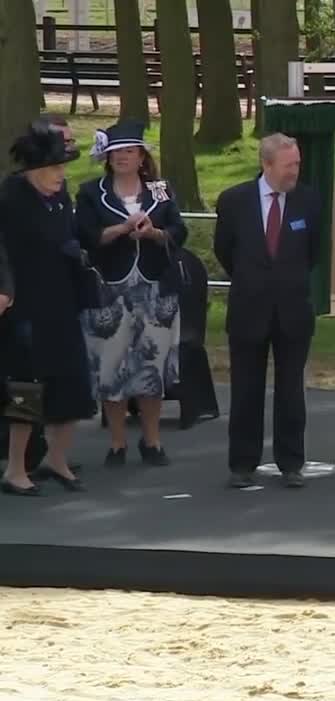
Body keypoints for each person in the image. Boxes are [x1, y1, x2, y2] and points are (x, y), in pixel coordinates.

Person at [213, 133, 322, 490]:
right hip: (249, 308)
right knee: (246, 389)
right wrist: (254, 279)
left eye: (298, 163)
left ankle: (291, 463)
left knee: (291, 390)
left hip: (293, 310)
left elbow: (314, 252)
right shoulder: (234, 201)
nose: (295, 171)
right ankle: (242, 463)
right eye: (289, 164)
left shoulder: (309, 200)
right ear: (267, 164)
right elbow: (225, 251)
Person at [76, 121, 187, 467]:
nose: (122, 157)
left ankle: (152, 441)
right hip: (109, 291)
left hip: (155, 291)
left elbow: (179, 231)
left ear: (141, 157)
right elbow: (86, 236)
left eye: (129, 151)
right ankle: (117, 442)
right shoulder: (92, 192)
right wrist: (122, 229)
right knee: (112, 369)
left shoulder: (160, 189)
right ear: (107, 158)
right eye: (116, 152)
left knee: (150, 367)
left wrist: (154, 233)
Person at [0, 122, 96, 496]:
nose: (61, 175)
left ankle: (58, 460)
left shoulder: (61, 196)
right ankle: (16, 468)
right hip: (24, 304)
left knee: (69, 381)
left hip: (62, 299)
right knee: (27, 387)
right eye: (54, 169)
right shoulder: (10, 198)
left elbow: (68, 233)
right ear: (33, 171)